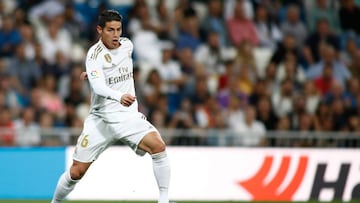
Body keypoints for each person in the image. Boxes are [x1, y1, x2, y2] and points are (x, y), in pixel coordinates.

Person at [50, 10, 171, 203]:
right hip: (101, 119)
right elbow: (98, 87)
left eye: (119, 29)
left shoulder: (127, 46)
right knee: (76, 172)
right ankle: (55, 202)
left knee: (158, 147)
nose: (116, 35)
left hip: (127, 117)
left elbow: (114, 70)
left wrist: (92, 74)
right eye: (110, 30)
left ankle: (163, 200)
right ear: (100, 30)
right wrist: (117, 94)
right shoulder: (93, 55)